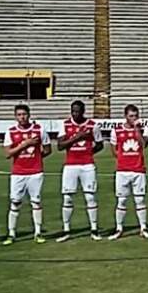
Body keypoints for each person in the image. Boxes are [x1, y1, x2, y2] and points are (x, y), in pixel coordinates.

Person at [2, 104, 50, 245]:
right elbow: (7, 153)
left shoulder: (39, 130)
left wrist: (36, 158)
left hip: (35, 172)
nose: (22, 117)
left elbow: (47, 150)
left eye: (24, 114)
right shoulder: (11, 131)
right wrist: (25, 144)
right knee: (15, 202)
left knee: (36, 202)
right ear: (15, 116)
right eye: (19, 115)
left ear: (29, 115)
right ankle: (11, 234)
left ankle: (38, 232)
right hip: (18, 173)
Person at [56, 100, 103, 242]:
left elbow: (100, 144)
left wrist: (88, 153)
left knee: (90, 197)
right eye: (73, 111)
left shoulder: (92, 125)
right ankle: (66, 230)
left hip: (87, 165)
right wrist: (77, 137)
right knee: (67, 197)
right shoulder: (65, 125)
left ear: (83, 111)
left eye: (78, 111)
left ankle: (94, 229)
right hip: (70, 165)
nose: (75, 114)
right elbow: (60, 146)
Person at [109, 104, 148, 240]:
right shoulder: (116, 130)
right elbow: (114, 150)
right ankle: (119, 228)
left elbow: (143, 144)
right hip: (122, 171)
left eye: (136, 116)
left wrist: (136, 130)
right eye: (131, 116)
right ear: (125, 116)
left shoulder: (144, 128)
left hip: (138, 169)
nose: (134, 118)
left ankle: (143, 228)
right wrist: (124, 159)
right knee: (121, 201)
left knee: (140, 200)